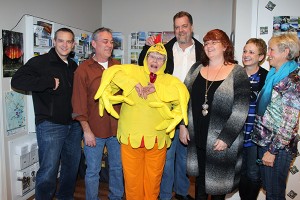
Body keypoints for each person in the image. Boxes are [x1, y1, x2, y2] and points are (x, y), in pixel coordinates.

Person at [94, 43, 190, 200]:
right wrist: (132, 84)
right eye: (152, 56)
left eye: (160, 58)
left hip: (157, 140)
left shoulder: (170, 80)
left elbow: (182, 94)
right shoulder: (132, 71)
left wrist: (158, 89)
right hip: (130, 138)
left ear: (165, 61)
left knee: (153, 183)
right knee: (132, 183)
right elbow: (112, 72)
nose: (155, 61)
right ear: (146, 57)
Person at [138, 11, 204, 200]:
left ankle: (182, 193)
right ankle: (165, 194)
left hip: (190, 111)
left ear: (191, 27)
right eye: (177, 27)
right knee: (166, 157)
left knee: (184, 157)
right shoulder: (164, 50)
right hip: (165, 109)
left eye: (184, 26)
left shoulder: (202, 52)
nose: (180, 30)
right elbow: (145, 65)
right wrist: (146, 47)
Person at [11, 28, 82, 200]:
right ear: (54, 42)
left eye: (68, 41)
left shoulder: (73, 65)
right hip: (50, 124)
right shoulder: (41, 62)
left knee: (71, 168)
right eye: (61, 40)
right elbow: (17, 80)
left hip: (73, 124)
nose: (64, 45)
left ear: (73, 44)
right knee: (49, 170)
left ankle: (66, 197)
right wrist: (48, 82)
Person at [180, 29, 250, 200]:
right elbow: (183, 99)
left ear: (225, 46)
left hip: (221, 140)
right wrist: (182, 125)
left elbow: (241, 109)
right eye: (206, 42)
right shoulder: (196, 68)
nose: (209, 46)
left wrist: (226, 138)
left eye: (214, 42)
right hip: (197, 137)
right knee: (200, 185)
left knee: (218, 189)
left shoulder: (237, 72)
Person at [72, 27, 124, 200]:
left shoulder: (118, 67)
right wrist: (86, 131)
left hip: (117, 130)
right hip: (94, 130)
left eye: (111, 42)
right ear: (94, 44)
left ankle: (116, 196)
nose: (109, 45)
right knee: (93, 171)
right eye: (105, 41)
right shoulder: (83, 70)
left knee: (117, 168)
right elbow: (78, 104)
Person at [252, 33, 300, 199]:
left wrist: (272, 151)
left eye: (271, 50)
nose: (268, 54)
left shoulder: (292, 80)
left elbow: (289, 123)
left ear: (286, 52)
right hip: (265, 141)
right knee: (270, 190)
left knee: (274, 194)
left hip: (277, 148)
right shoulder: (273, 75)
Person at [238, 38, 269, 200]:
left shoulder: (267, 77)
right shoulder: (235, 74)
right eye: (244, 51)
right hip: (236, 134)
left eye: (251, 52)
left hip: (255, 135)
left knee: (253, 173)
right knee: (240, 173)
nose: (246, 55)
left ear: (261, 57)